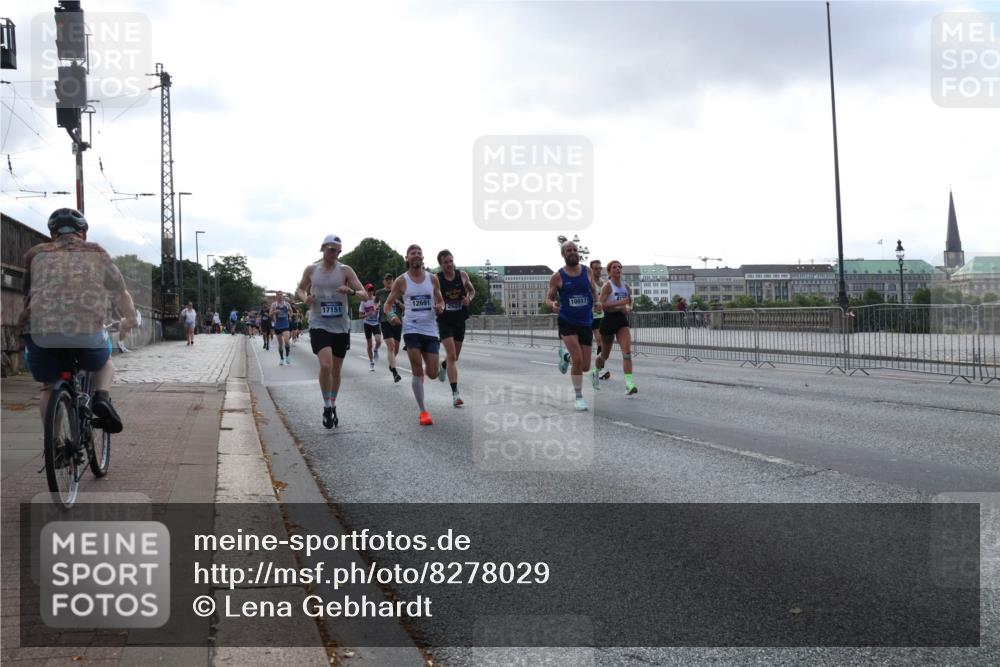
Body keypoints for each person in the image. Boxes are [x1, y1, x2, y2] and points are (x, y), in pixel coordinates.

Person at [17, 208, 137, 434]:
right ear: (84, 232)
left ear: (52, 233)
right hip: (86, 327)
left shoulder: (35, 254)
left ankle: (55, 445)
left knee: (49, 387)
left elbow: (27, 293)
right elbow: (121, 292)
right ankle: (101, 397)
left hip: (40, 330)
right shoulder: (97, 253)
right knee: (104, 362)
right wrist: (129, 319)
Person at [296, 234, 368, 428]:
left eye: (338, 251)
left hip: (341, 326)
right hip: (319, 323)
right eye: (331, 250)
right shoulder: (311, 269)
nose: (335, 254)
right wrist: (305, 299)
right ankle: (327, 406)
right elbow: (300, 289)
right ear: (322, 248)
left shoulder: (345, 270)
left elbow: (364, 295)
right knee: (326, 365)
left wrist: (351, 291)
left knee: (336, 369)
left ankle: (333, 403)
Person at [384, 244, 444, 425]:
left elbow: (440, 300)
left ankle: (439, 367)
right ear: (407, 258)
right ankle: (423, 411)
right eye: (413, 253)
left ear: (423, 257)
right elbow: (388, 304)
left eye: (419, 253)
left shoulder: (432, 279)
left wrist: (441, 307)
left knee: (432, 374)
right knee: (417, 370)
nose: (416, 255)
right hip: (411, 329)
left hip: (430, 329)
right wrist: (392, 315)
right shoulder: (401, 281)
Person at [546, 240, 600, 411]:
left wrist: (597, 302)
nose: (572, 252)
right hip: (567, 321)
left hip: (586, 321)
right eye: (569, 250)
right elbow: (549, 297)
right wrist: (553, 304)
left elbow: (593, 290)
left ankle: (565, 357)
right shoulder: (558, 276)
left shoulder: (587, 271)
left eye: (575, 249)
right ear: (563, 254)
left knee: (585, 366)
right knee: (577, 359)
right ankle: (579, 397)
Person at [436, 249, 475, 407]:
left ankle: (444, 365)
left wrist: (469, 299)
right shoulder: (437, 279)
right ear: (441, 264)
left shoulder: (462, 275)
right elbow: (434, 297)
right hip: (444, 320)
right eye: (445, 262)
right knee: (451, 355)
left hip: (459, 319)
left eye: (451, 261)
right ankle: (455, 394)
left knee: (454, 357)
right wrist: (438, 305)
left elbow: (472, 291)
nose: (449, 265)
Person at [593, 260, 637, 395]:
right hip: (608, 321)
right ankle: (595, 372)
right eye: (614, 267)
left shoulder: (626, 287)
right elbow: (602, 305)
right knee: (604, 355)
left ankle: (629, 384)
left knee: (627, 353)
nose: (618, 269)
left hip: (621, 321)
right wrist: (620, 304)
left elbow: (630, 302)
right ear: (610, 271)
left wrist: (628, 308)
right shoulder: (608, 286)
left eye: (619, 267)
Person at [374, 272, 404, 383]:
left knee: (395, 348)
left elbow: (405, 307)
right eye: (387, 280)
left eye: (390, 280)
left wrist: (398, 302)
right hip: (385, 321)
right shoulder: (379, 292)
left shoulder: (399, 292)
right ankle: (395, 372)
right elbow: (375, 302)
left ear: (393, 281)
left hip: (397, 322)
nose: (389, 281)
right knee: (390, 346)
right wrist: (376, 307)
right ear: (383, 282)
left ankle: (392, 364)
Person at [589, 258, 610, 380]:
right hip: (591, 316)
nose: (598, 270)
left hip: (602, 315)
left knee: (602, 343)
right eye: (595, 268)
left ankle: (599, 369)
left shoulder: (604, 283)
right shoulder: (589, 283)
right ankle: (599, 370)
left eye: (599, 268)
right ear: (591, 270)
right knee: (599, 342)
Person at [359, 283, 382, 371]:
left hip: (375, 323)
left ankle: (376, 350)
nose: (370, 292)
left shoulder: (376, 299)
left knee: (379, 341)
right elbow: (360, 316)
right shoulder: (363, 302)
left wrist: (377, 309)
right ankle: (371, 362)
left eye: (372, 290)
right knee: (369, 345)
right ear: (366, 291)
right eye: (369, 290)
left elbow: (378, 307)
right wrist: (368, 314)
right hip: (367, 324)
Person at [270, 291, 294, 365]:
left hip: (285, 325)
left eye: (281, 295)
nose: (280, 296)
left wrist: (290, 316)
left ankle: (287, 355)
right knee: (280, 344)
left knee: (286, 341)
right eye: (278, 295)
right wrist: (274, 312)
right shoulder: (274, 305)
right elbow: (270, 314)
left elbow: (291, 311)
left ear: (283, 296)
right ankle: (281, 358)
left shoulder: (286, 304)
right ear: (276, 296)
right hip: (277, 326)